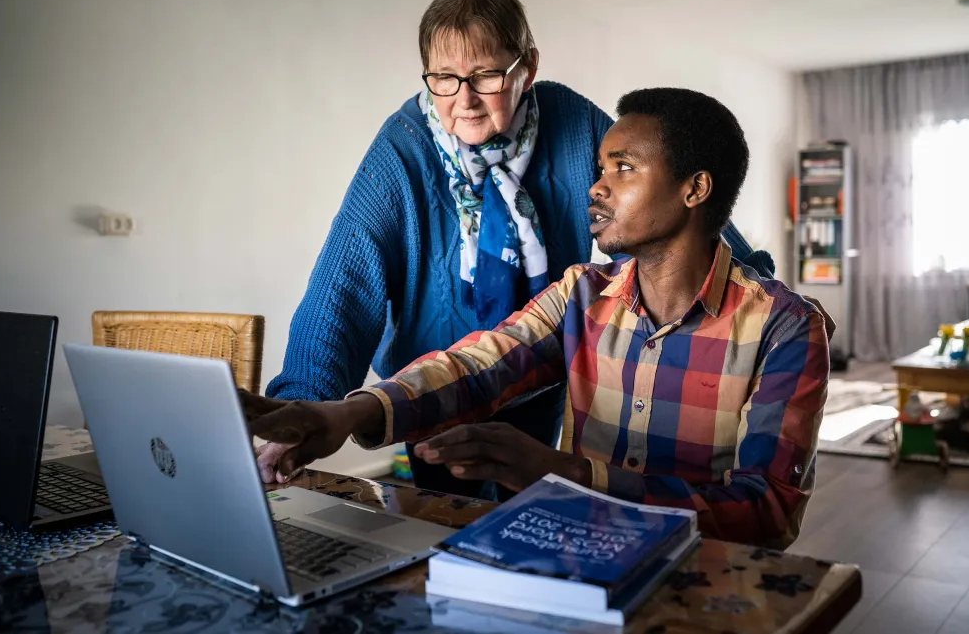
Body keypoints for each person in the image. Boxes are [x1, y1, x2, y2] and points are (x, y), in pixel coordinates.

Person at [248, 0, 783, 498]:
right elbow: (344, 282)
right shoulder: (403, 148)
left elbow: (662, 199)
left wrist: (750, 287)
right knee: (447, 516)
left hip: (540, 369)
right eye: (444, 78)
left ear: (527, 67)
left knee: (531, 508)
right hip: (427, 388)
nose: (465, 100)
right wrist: (303, 404)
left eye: (485, 76)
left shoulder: (571, 122)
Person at [246, 87, 830, 548]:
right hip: (575, 571)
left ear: (694, 189)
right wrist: (347, 412)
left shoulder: (784, 327)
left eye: (622, 168)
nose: (595, 187)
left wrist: (559, 473)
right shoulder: (582, 294)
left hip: (709, 592)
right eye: (600, 167)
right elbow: (475, 367)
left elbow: (765, 512)